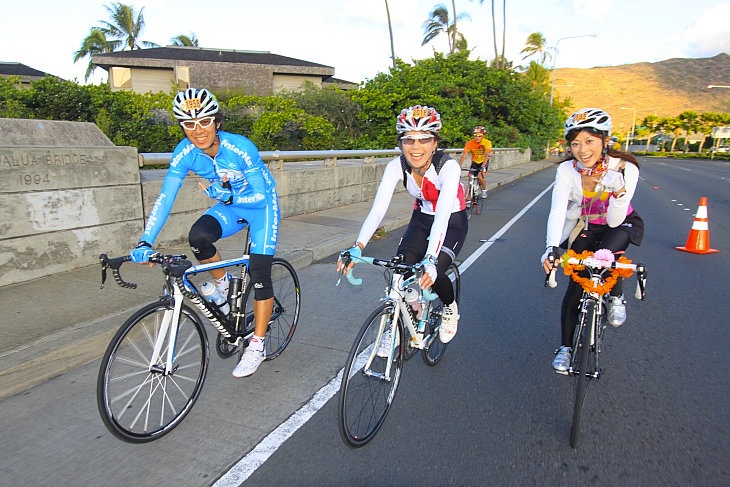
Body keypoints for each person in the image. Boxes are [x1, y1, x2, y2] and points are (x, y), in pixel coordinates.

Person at [130, 88, 280, 378]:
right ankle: (223, 285)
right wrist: (146, 240)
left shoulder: (240, 148)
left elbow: (261, 197)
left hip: (261, 208)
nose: (197, 131)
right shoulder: (184, 153)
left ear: (217, 122)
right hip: (231, 204)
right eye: (189, 124)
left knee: (260, 274)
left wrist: (226, 198)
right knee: (198, 237)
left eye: (204, 122)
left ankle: (257, 345)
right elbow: (165, 198)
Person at [337, 105, 468, 344]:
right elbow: (378, 210)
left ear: (435, 142)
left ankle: (450, 308)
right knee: (400, 270)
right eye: (408, 140)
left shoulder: (448, 167)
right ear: (401, 143)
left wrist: (430, 259)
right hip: (421, 220)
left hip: (451, 222)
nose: (415, 147)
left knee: (434, 272)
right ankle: (401, 322)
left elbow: (442, 217)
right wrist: (358, 246)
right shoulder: (395, 166)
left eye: (424, 139)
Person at [541, 108, 644, 372]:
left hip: (620, 223)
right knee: (576, 283)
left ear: (604, 141)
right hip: (586, 225)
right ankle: (565, 348)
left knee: (605, 256)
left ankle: (616, 296)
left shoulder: (624, 167)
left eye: (589, 141)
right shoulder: (567, 170)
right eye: (575, 143)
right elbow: (557, 209)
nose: (582, 149)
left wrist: (618, 191)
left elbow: (614, 221)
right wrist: (551, 248)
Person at [459, 126, 492, 198]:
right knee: (470, 179)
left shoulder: (487, 143)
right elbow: (464, 155)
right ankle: (468, 199)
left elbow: (487, 155)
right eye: (475, 135)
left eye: (479, 136)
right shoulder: (469, 143)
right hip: (475, 162)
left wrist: (483, 166)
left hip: (483, 161)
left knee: (480, 177)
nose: (477, 137)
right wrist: (458, 166)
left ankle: (484, 190)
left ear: (483, 136)